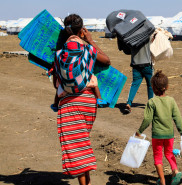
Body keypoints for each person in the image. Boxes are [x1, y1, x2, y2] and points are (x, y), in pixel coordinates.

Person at [53, 14, 110, 185]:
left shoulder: (59, 54)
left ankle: (84, 182)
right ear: (82, 30)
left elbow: (56, 83)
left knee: (77, 144)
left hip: (68, 104)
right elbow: (106, 61)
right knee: (83, 139)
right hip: (88, 102)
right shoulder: (87, 49)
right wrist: (91, 40)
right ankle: (87, 181)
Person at [135, 70, 182, 185]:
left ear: (153, 88)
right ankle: (175, 170)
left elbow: (147, 119)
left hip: (157, 135)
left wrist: (139, 131)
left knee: (158, 158)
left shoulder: (152, 102)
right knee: (169, 154)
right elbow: (177, 117)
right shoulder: (171, 101)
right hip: (169, 135)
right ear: (167, 87)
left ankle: (162, 181)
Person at [124, 41, 154, 114]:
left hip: (135, 64)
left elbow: (127, 51)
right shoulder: (147, 34)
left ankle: (129, 103)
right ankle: (151, 104)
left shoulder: (132, 37)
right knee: (150, 86)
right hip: (147, 64)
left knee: (134, 85)